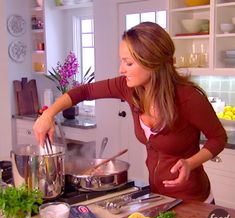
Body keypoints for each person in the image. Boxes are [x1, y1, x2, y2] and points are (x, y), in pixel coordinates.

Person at [33, 22, 227, 202]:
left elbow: (218, 138)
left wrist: (190, 163)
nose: (121, 69)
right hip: (158, 196)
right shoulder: (128, 88)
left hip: (193, 200)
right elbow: (84, 91)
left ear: (152, 62)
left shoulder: (188, 98)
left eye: (128, 63)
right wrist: (49, 114)